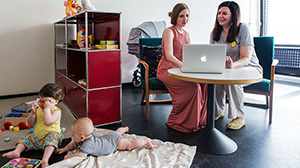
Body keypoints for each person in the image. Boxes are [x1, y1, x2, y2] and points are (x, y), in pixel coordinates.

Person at [210, 1, 263, 129]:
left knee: (232, 80)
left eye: (224, 13)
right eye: (219, 13)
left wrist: (233, 65)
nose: (220, 16)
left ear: (233, 15)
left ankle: (239, 117)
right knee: (214, 80)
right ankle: (217, 112)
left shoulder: (243, 29)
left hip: (249, 68)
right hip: (228, 69)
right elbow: (211, 54)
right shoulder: (215, 33)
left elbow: (246, 58)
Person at [157, 3, 207, 133]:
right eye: (181, 16)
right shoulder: (169, 32)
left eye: (187, 16)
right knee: (193, 87)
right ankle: (178, 121)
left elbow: (189, 55)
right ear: (175, 17)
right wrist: (185, 66)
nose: (185, 19)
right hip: (166, 69)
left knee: (204, 83)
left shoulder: (186, 34)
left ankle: (200, 119)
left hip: (180, 68)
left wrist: (195, 65)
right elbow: (169, 55)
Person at [2, 83, 65, 167]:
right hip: (37, 137)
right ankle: (16, 152)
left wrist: (46, 109)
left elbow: (48, 122)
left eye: (46, 101)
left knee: (52, 139)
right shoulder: (39, 109)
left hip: (51, 137)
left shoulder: (56, 111)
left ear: (56, 101)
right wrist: (32, 114)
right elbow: (30, 122)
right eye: (40, 100)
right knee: (26, 137)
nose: (42, 104)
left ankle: (45, 159)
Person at [55, 117, 153, 159]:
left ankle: (144, 141)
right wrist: (64, 149)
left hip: (113, 143)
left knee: (128, 145)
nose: (72, 137)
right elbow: (72, 144)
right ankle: (124, 129)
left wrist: (70, 156)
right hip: (109, 137)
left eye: (73, 135)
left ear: (82, 137)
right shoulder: (81, 139)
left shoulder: (87, 144)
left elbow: (81, 155)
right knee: (116, 133)